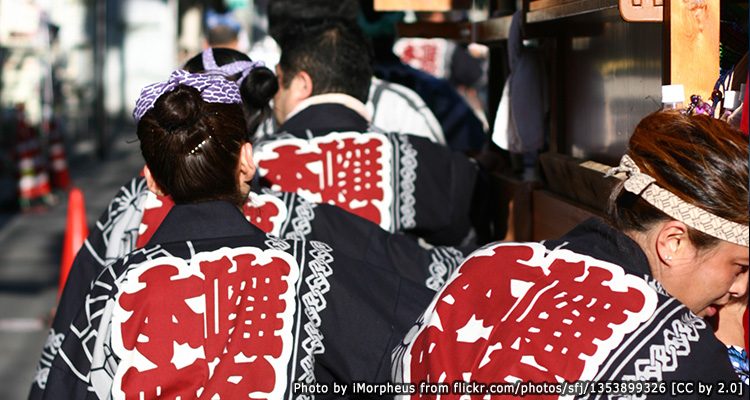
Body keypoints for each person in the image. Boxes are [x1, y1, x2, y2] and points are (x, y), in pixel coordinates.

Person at [30, 70, 442, 399]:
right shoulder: (308, 271)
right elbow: (430, 344)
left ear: (152, 181)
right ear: (246, 161)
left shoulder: (115, 286)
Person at [392, 110, 749, 394]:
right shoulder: (674, 355)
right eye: (739, 266)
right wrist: (730, 350)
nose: (740, 290)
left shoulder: (490, 263)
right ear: (674, 242)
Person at [258, 18, 502, 246]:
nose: (274, 95)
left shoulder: (249, 167)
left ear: (302, 84)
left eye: (279, 81)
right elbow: (475, 232)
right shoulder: (422, 159)